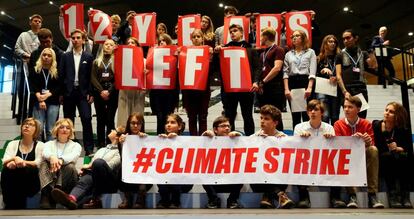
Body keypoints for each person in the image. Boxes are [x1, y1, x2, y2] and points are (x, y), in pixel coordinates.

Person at [51, 126, 124, 210]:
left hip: (108, 180)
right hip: (94, 178)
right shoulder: (102, 149)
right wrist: (86, 168)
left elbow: (111, 166)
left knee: (98, 163)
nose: (111, 130)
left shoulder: (119, 151)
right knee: (84, 181)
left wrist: (90, 166)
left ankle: (92, 199)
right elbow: (91, 162)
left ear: (118, 136)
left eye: (114, 130)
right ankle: (71, 200)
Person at [333, 96, 384, 209]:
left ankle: (372, 194)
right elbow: (338, 146)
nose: (346, 109)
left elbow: (372, 144)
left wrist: (366, 142)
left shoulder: (366, 123)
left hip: (362, 156)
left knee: (373, 150)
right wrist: (352, 140)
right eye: (345, 107)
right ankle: (352, 195)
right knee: (344, 155)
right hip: (347, 155)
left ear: (359, 109)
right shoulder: (338, 124)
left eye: (350, 107)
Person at [216, 24, 260, 136]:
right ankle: (229, 140)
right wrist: (217, 53)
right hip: (229, 89)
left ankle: (250, 140)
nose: (232, 33)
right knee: (229, 116)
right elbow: (217, 67)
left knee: (247, 116)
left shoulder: (250, 49)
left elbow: (257, 68)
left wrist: (255, 82)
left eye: (235, 31)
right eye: (230, 32)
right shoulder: (224, 49)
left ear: (241, 33)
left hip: (246, 88)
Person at [293, 100, 337, 208]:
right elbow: (294, 149)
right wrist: (300, 139)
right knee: (297, 162)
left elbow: (334, 150)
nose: (312, 112)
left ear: (322, 113)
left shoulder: (329, 128)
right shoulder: (299, 127)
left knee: (337, 163)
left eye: (316, 109)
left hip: (324, 160)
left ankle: (335, 198)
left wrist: (330, 139)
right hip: (306, 160)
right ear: (307, 112)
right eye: (310, 110)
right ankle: (304, 197)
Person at [250, 105, 295, 209]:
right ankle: (280, 195)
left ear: (275, 123)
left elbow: (291, 161)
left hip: (279, 178)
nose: (262, 121)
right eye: (261, 118)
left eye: (266, 119)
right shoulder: (253, 138)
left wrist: (282, 144)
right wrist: (259, 143)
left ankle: (267, 197)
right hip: (258, 181)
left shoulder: (284, 138)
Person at [59, 29, 94, 155]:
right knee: (68, 121)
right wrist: (61, 94)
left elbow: (91, 77)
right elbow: (61, 75)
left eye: (78, 37)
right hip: (68, 93)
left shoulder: (88, 57)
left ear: (83, 40)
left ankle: (89, 149)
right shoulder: (65, 56)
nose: (75, 40)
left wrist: (91, 93)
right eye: (73, 38)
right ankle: (68, 147)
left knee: (86, 119)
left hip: (83, 93)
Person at [372, 102, 413, 208]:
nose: (387, 113)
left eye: (391, 112)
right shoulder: (376, 125)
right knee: (388, 157)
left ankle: (405, 195)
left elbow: (408, 148)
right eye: (386, 110)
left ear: (397, 116)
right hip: (382, 158)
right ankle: (393, 194)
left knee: (405, 157)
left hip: (398, 156)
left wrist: (399, 148)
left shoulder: (402, 129)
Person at [38, 118, 82, 209]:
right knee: (44, 163)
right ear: (57, 129)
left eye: (68, 128)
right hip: (51, 177)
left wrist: (60, 160)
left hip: (68, 180)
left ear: (71, 131)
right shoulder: (48, 144)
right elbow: (45, 153)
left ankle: (59, 195)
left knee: (70, 166)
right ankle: (46, 195)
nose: (65, 130)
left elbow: (73, 157)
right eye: (62, 127)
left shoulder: (76, 145)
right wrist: (52, 157)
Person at [1, 118, 44, 209]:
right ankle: (9, 203)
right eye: (25, 124)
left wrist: (22, 162)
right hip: (14, 181)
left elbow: (38, 163)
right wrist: (14, 158)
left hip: (31, 182)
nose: (27, 126)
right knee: (7, 170)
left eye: (31, 125)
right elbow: (4, 161)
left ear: (36, 130)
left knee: (29, 168)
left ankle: (15, 203)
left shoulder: (40, 145)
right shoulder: (12, 144)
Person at [201, 116, 243, 209]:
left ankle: (232, 200)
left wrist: (239, 135)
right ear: (215, 130)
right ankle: (213, 200)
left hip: (231, 182)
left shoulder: (236, 140)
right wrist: (205, 135)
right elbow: (198, 147)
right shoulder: (209, 141)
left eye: (228, 126)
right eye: (223, 126)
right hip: (214, 182)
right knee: (202, 173)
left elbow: (247, 145)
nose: (227, 128)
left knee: (242, 172)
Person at [336, 29, 377, 119]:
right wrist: (344, 91)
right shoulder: (340, 55)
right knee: (349, 118)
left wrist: (371, 50)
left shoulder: (363, 54)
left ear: (355, 38)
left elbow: (373, 65)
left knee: (362, 118)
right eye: (344, 39)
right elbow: (338, 75)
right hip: (347, 90)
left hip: (361, 89)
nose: (345, 41)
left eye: (348, 38)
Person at [157, 114, 193, 208]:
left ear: (180, 126)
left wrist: (178, 140)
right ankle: (164, 200)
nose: (169, 125)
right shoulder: (159, 140)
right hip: (165, 181)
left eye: (172, 122)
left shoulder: (188, 141)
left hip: (184, 181)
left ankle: (175, 201)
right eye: (167, 122)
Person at [283, 29, 317, 129]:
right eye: (293, 36)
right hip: (292, 83)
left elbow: (312, 71)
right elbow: (285, 72)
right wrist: (286, 89)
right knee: (295, 115)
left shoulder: (310, 52)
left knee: (307, 114)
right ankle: (296, 140)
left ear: (303, 38)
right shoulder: (288, 54)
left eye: (297, 36)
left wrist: (310, 87)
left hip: (306, 82)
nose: (294, 38)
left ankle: (308, 140)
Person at [254, 27, 286, 130]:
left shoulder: (278, 50)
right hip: (264, 88)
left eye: (261, 36)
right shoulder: (263, 53)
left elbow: (277, 68)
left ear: (266, 37)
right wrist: (258, 82)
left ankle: (281, 141)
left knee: (275, 117)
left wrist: (263, 81)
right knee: (265, 116)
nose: (259, 39)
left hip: (275, 87)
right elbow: (260, 69)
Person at [117, 112, 151, 209]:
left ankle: (141, 199)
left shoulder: (147, 138)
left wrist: (146, 141)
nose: (135, 126)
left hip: (142, 177)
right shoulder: (123, 139)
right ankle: (127, 198)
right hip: (127, 177)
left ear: (142, 125)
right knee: (122, 167)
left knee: (143, 174)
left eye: (138, 123)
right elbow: (123, 158)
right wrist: (121, 144)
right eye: (133, 123)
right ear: (129, 124)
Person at [182, 29, 211, 136]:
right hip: (189, 91)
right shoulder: (185, 53)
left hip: (203, 90)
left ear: (202, 38)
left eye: (198, 36)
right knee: (192, 117)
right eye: (194, 37)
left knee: (203, 116)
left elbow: (212, 70)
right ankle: (193, 139)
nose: (196, 38)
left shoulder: (208, 52)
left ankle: (203, 139)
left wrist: (211, 57)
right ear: (191, 39)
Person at [14, 14, 43, 123]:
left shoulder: (42, 36)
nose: (37, 23)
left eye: (39, 21)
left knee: (34, 92)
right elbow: (17, 48)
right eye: (35, 21)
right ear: (30, 22)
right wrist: (26, 55)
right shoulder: (23, 35)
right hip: (25, 67)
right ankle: (21, 115)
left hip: (38, 69)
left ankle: (31, 116)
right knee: (22, 92)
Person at [91, 39, 118, 148]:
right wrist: (101, 91)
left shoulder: (116, 61)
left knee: (110, 118)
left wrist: (109, 91)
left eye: (110, 45)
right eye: (106, 44)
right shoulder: (96, 61)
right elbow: (93, 78)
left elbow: (118, 78)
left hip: (113, 92)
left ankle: (110, 142)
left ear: (114, 47)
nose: (108, 46)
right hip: (99, 92)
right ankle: (101, 143)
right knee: (100, 118)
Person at [150, 34, 179, 134]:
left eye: (164, 40)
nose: (161, 42)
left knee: (168, 117)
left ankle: (169, 136)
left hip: (170, 93)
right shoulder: (153, 55)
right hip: (157, 93)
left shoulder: (175, 54)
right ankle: (160, 136)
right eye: (160, 41)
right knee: (159, 116)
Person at [30, 48, 61, 141]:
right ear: (41, 56)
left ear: (53, 58)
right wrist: (40, 98)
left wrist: (48, 95)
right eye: (44, 55)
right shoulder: (35, 70)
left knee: (50, 129)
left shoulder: (57, 71)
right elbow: (33, 84)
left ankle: (49, 152)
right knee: (38, 129)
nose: (46, 57)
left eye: (49, 55)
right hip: (38, 101)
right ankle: (38, 151)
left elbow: (59, 86)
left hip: (53, 102)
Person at [117, 37, 146, 129]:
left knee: (137, 118)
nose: (130, 44)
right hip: (124, 94)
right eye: (128, 42)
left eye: (132, 42)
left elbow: (147, 80)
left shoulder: (144, 61)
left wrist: (146, 74)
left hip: (138, 94)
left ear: (137, 46)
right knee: (123, 120)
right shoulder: (121, 60)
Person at [316, 35, 341, 125]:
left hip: (335, 87)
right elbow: (314, 74)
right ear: (325, 44)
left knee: (335, 116)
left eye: (334, 42)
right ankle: (325, 137)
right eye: (330, 41)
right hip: (323, 88)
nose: (333, 43)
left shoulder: (340, 57)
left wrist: (335, 76)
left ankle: (334, 137)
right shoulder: (319, 58)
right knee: (325, 116)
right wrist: (322, 71)